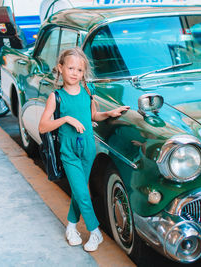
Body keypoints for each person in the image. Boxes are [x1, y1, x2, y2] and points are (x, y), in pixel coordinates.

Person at [38, 47, 129, 252]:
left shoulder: (88, 92)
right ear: (60, 68)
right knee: (81, 191)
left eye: (79, 70)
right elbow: (43, 126)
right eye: (70, 68)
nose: (74, 73)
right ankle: (95, 231)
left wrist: (110, 113)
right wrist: (66, 119)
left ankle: (71, 227)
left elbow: (93, 117)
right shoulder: (56, 96)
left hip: (88, 148)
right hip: (68, 151)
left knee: (80, 193)